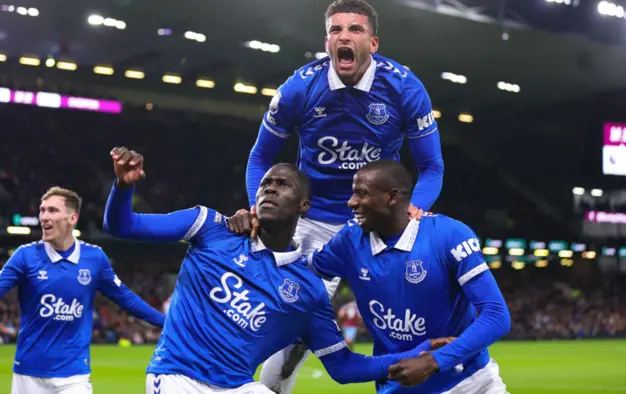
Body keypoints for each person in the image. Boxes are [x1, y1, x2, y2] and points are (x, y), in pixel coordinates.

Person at [103, 147, 449, 394]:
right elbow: (122, 226)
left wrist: (414, 354)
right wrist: (123, 187)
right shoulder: (210, 227)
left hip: (237, 386)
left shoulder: (308, 290)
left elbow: (343, 367)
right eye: (266, 183)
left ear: (304, 205)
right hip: (177, 379)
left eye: (282, 185)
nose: (269, 187)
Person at [244, 0, 444, 393]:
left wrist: (416, 209)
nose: (344, 36)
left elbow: (432, 168)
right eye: (336, 29)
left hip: (378, 224)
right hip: (313, 223)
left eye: (355, 29)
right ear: (327, 40)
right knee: (292, 333)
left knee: (405, 326)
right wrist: (259, 207)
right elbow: (260, 158)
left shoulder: (405, 88)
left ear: (373, 43)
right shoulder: (299, 88)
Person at [309, 160, 511, 393]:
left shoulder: (449, 235)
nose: (351, 202)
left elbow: (497, 315)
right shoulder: (349, 240)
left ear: (392, 197)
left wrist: (434, 361)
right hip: (398, 387)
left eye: (361, 194)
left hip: (470, 383)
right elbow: (301, 271)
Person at [0, 186, 165, 394]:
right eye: (42, 210)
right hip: (29, 374)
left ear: (72, 218)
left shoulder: (94, 258)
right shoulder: (25, 256)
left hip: (74, 376)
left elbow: (126, 299)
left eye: (52, 210)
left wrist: (167, 324)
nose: (43, 217)